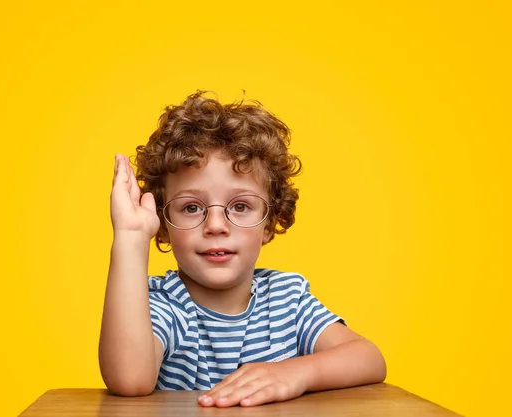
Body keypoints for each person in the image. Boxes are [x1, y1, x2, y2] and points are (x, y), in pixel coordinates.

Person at [99, 91, 386, 408]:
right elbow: (129, 380)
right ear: (163, 223)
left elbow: (369, 358)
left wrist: (294, 374)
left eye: (240, 206)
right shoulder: (161, 306)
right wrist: (131, 237)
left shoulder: (286, 300)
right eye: (192, 208)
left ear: (269, 223)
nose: (216, 225)